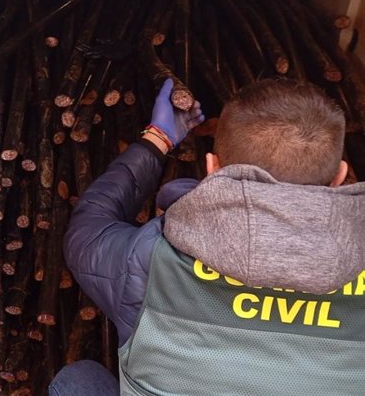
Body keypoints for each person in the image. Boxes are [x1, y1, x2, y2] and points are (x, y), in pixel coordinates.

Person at [51, 78, 365, 395]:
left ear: (212, 168)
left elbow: (86, 234)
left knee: (77, 382)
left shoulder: (153, 257)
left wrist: (156, 139)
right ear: (339, 176)